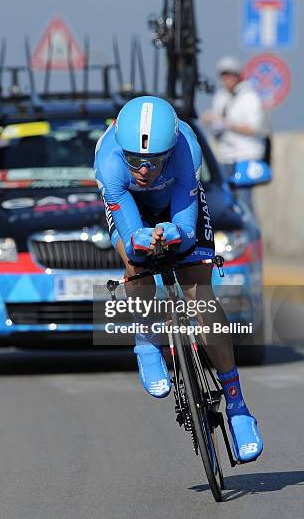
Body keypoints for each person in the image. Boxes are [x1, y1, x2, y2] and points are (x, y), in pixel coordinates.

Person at [94, 95, 263, 463]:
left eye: (152, 161)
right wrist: (142, 239)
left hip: (177, 201)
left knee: (199, 291)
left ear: (168, 152)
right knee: (137, 264)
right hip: (131, 207)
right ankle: (146, 339)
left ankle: (237, 405)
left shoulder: (187, 150)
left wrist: (172, 234)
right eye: (134, 160)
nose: (142, 169)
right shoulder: (109, 165)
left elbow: (186, 228)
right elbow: (131, 232)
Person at [201, 56, 270, 210]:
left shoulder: (249, 97)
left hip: (245, 156)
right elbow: (218, 121)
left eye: (230, 74)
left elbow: (254, 128)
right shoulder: (221, 96)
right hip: (225, 156)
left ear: (238, 75)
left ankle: (250, 232)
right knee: (226, 201)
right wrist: (210, 120)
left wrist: (227, 124)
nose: (227, 79)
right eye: (223, 75)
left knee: (244, 202)